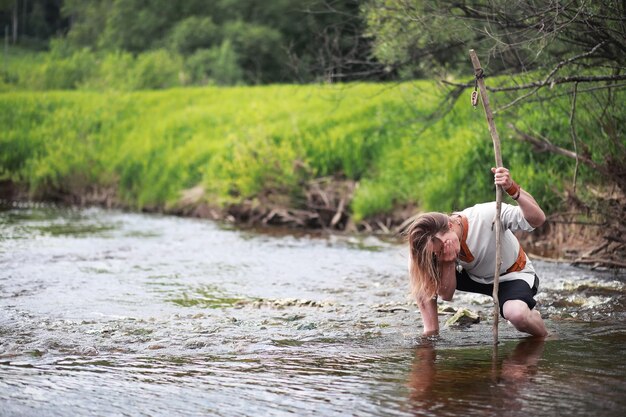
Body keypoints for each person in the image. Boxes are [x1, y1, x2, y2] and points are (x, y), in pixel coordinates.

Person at [406, 167, 548, 337]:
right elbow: (447, 295)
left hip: (510, 274)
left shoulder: (486, 215)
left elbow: (538, 219)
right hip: (472, 276)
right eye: (436, 252)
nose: (442, 251)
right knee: (418, 264)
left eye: (443, 246)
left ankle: (543, 336)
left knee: (516, 315)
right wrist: (447, 262)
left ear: (450, 225)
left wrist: (513, 189)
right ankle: (430, 332)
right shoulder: (439, 252)